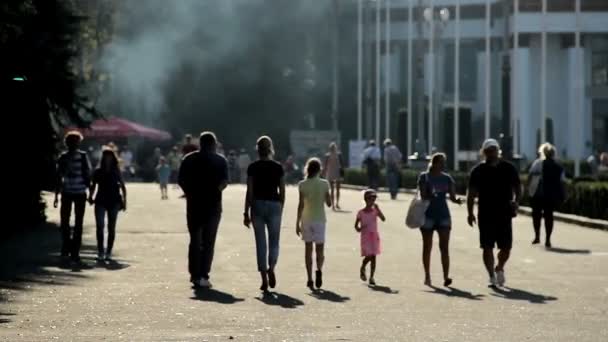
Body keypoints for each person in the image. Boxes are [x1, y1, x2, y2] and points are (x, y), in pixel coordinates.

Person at [467, 139, 521, 287]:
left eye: (494, 150)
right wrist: (470, 213)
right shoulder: (478, 171)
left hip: (505, 213)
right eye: (488, 150)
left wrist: (516, 202)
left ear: (498, 151)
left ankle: (500, 267)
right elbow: (471, 194)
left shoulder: (508, 168)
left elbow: (517, 187)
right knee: (487, 246)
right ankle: (491, 275)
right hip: (485, 213)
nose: (492, 153)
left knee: (506, 248)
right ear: (484, 153)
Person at [178, 132, 228, 289]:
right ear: (214, 144)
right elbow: (224, 182)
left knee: (195, 240)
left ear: (200, 143)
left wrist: (190, 193)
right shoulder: (220, 160)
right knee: (208, 242)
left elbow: (181, 180)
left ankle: (194, 274)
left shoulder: (189, 159)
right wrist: (215, 191)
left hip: (194, 204)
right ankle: (204, 275)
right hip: (213, 205)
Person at [243, 136, 286, 293]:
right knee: (274, 241)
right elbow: (282, 190)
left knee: (261, 243)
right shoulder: (278, 167)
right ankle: (272, 267)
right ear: (270, 149)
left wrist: (246, 212)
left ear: (257, 149)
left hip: (257, 205)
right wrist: (281, 206)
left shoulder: (252, 167)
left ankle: (264, 280)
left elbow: (250, 190)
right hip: (274, 204)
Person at [418, 153, 463, 287]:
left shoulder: (447, 178)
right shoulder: (424, 176)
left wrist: (457, 200)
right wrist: (429, 194)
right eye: (441, 162)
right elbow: (423, 195)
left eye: (444, 162)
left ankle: (446, 277)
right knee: (427, 246)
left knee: (444, 247)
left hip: (443, 215)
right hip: (428, 216)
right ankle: (427, 275)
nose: (443, 165)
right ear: (434, 162)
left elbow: (453, 196)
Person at [54, 131, 91, 263]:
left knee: (78, 223)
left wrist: (90, 193)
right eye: (71, 142)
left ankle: (75, 251)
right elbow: (59, 176)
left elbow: (88, 174)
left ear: (78, 143)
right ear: (67, 143)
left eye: (76, 142)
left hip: (80, 193)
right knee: (65, 222)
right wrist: (56, 196)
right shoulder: (63, 157)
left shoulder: (83, 156)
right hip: (67, 192)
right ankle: (66, 247)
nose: (74, 144)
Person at [296, 158, 331, 290]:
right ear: (319, 169)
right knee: (320, 250)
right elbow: (329, 204)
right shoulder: (324, 184)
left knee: (308, 250)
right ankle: (319, 270)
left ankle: (309, 278)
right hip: (320, 220)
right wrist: (328, 194)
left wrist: (297, 222)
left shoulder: (302, 184)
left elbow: (300, 205)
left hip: (306, 219)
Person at [88, 148, 127, 261]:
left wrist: (124, 201)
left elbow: (123, 186)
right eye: (106, 156)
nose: (108, 159)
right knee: (100, 226)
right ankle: (100, 251)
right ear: (103, 158)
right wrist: (90, 196)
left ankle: (108, 251)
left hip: (114, 200)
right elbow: (93, 185)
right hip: (100, 200)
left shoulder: (116, 171)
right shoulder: (98, 171)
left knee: (111, 227)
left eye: (110, 156)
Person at [528, 143, 566, 248]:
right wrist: (563, 194)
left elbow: (530, 176)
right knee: (549, 216)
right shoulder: (558, 165)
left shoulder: (537, 163)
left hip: (538, 193)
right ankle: (548, 239)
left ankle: (537, 236)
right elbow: (562, 182)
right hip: (551, 194)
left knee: (536, 215)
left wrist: (529, 190)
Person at [354, 189, 386, 286]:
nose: (373, 201)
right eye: (371, 199)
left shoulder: (375, 210)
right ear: (366, 199)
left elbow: (383, 219)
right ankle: (363, 266)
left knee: (374, 256)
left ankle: (372, 277)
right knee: (368, 256)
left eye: (374, 199)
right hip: (365, 237)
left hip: (374, 236)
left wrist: (379, 210)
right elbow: (356, 226)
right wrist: (359, 229)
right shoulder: (361, 212)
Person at [323, 142, 344, 210]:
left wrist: (324, 173)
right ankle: (336, 203)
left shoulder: (328, 155)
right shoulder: (338, 155)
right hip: (335, 173)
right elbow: (342, 165)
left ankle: (334, 205)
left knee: (333, 189)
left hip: (331, 173)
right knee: (337, 189)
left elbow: (325, 166)